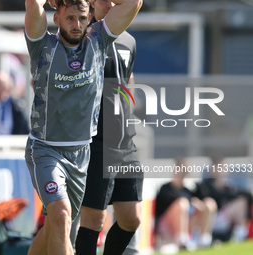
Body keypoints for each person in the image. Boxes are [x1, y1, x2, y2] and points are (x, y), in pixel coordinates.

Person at [23, 0, 142, 253]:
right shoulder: (43, 46)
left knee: (55, 227)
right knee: (62, 215)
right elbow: (33, 4)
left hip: (80, 155)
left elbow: (135, 3)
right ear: (56, 18)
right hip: (46, 150)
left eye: (82, 18)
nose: (76, 25)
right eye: (69, 18)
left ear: (90, 19)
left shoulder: (98, 42)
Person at [74, 0, 142, 254]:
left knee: (131, 218)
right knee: (94, 220)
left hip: (125, 142)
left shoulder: (130, 42)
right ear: (92, 2)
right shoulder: (85, 36)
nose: (111, 3)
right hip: (96, 141)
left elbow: (129, 82)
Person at [154, 158, 217, 251]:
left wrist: (193, 179)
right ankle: (181, 241)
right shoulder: (165, 188)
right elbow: (173, 200)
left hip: (186, 222)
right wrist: (192, 201)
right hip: (165, 226)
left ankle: (204, 240)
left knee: (209, 203)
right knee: (182, 204)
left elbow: (204, 195)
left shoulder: (187, 190)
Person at [195, 156, 252, 242]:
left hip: (226, 219)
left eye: (222, 167)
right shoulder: (204, 186)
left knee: (242, 201)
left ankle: (240, 234)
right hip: (211, 219)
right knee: (209, 203)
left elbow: (244, 195)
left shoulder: (228, 187)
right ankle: (204, 239)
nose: (220, 170)